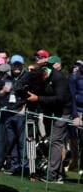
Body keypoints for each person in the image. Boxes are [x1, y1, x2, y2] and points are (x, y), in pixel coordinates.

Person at [27, 55, 72, 183]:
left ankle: (52, 175)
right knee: (49, 142)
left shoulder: (59, 77)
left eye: (42, 78)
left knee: (55, 142)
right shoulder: (43, 77)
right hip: (50, 112)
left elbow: (60, 99)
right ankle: (58, 173)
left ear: (46, 73)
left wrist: (38, 99)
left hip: (63, 112)